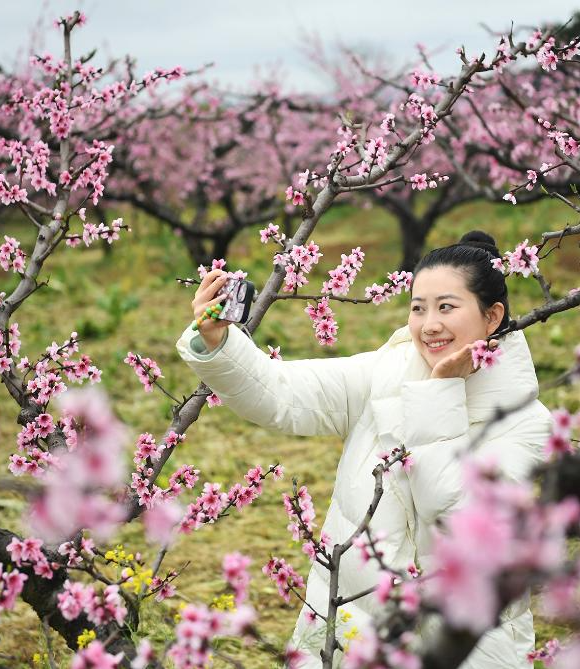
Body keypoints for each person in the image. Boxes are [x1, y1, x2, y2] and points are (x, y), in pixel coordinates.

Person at [176, 230, 552, 668]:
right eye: (418, 308)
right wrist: (219, 343)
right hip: (351, 627)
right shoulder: (384, 373)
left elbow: (454, 512)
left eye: (446, 307)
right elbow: (281, 394)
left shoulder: (528, 424)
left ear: (492, 317)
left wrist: (439, 392)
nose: (429, 324)